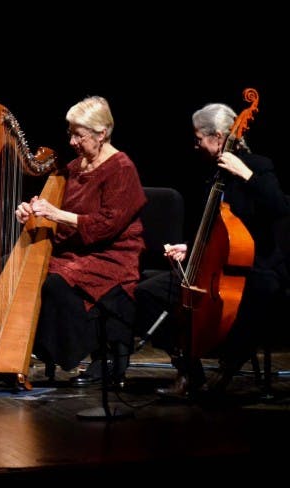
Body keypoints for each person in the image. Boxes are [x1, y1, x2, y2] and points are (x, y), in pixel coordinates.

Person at [137, 102, 289, 398]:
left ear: (218, 138)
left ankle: (228, 368)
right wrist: (189, 247)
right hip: (212, 262)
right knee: (148, 293)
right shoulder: (212, 174)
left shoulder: (258, 165)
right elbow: (217, 227)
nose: (196, 145)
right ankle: (189, 370)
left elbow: (280, 207)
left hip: (255, 265)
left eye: (199, 139)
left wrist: (246, 175)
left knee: (260, 292)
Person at [16, 96, 146, 388]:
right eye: (70, 133)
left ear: (102, 134)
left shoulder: (121, 168)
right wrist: (31, 213)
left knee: (55, 282)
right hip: (75, 250)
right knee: (13, 267)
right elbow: (56, 212)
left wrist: (57, 214)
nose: (72, 141)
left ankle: (101, 354)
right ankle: (30, 351)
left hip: (111, 255)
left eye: (79, 134)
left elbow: (106, 226)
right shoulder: (74, 168)